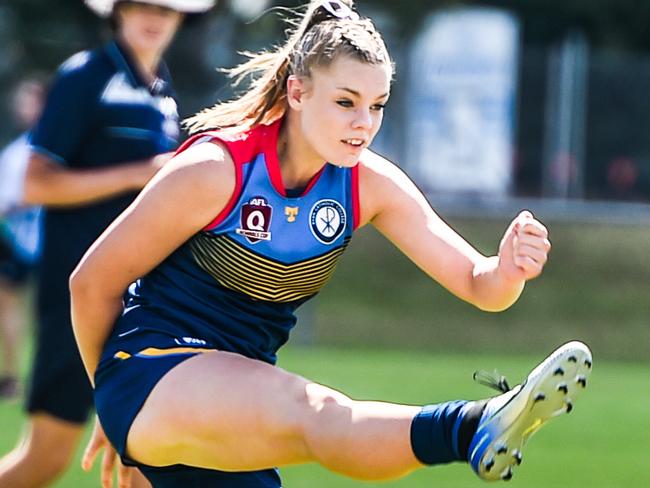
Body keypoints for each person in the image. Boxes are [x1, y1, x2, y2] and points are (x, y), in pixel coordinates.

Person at [70, 1, 593, 487]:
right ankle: (473, 425)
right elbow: (91, 284)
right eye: (346, 102)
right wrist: (113, 402)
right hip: (152, 365)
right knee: (317, 413)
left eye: (377, 105)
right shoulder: (216, 170)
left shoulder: (368, 185)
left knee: (309, 416)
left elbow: (480, 287)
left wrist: (507, 271)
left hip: (241, 396)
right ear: (298, 93)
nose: (363, 124)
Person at [0, 1, 215, 486]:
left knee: (146, 463)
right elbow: (35, 185)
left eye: (168, 7)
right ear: (116, 11)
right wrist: (140, 174)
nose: (154, 15)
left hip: (143, 304)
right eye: (141, 3)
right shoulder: (85, 77)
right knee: (46, 458)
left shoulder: (162, 91)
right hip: (80, 296)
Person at [0, 78, 45, 401]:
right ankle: (14, 377)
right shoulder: (16, 152)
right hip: (16, 242)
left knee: (54, 313)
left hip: (52, 243)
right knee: (9, 306)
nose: (25, 108)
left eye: (31, 100)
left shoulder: (57, 149)